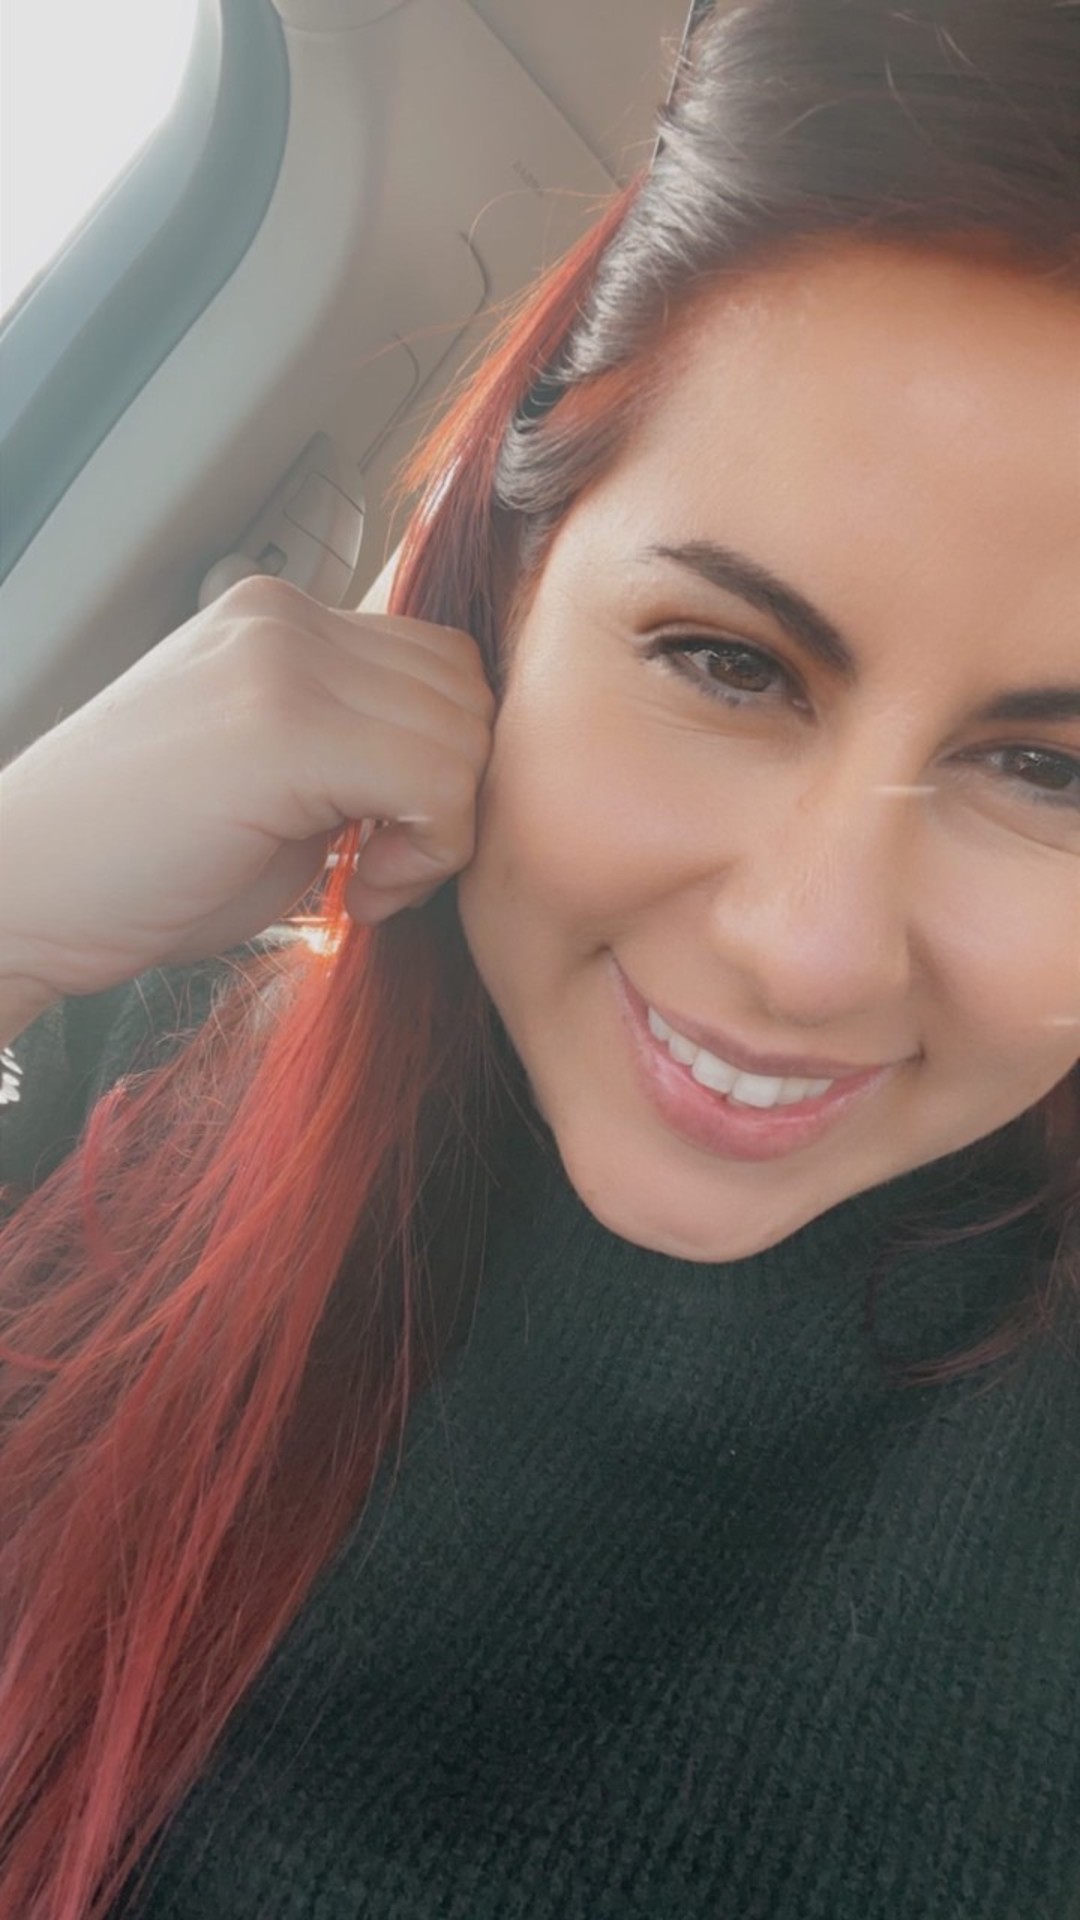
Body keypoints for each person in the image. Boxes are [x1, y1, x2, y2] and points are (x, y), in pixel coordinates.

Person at [1, 1, 1078, 1914]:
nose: (804, 950)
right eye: (726, 662)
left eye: (1053, 772)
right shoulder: (138, 1071)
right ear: (509, 587)